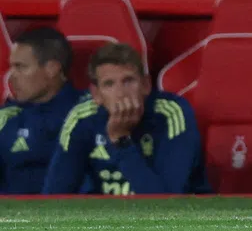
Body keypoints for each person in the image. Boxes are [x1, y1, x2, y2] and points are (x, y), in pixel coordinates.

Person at [42, 43, 210, 195]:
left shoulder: (172, 113)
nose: (121, 93)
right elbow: (54, 198)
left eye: (128, 81)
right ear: (96, 94)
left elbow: (165, 205)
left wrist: (122, 141)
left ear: (146, 85)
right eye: (109, 84)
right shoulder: (82, 118)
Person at [0, 29, 83, 194]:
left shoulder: (84, 114)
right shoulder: (7, 116)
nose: (11, 76)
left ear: (52, 68)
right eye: (11, 67)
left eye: (20, 67)